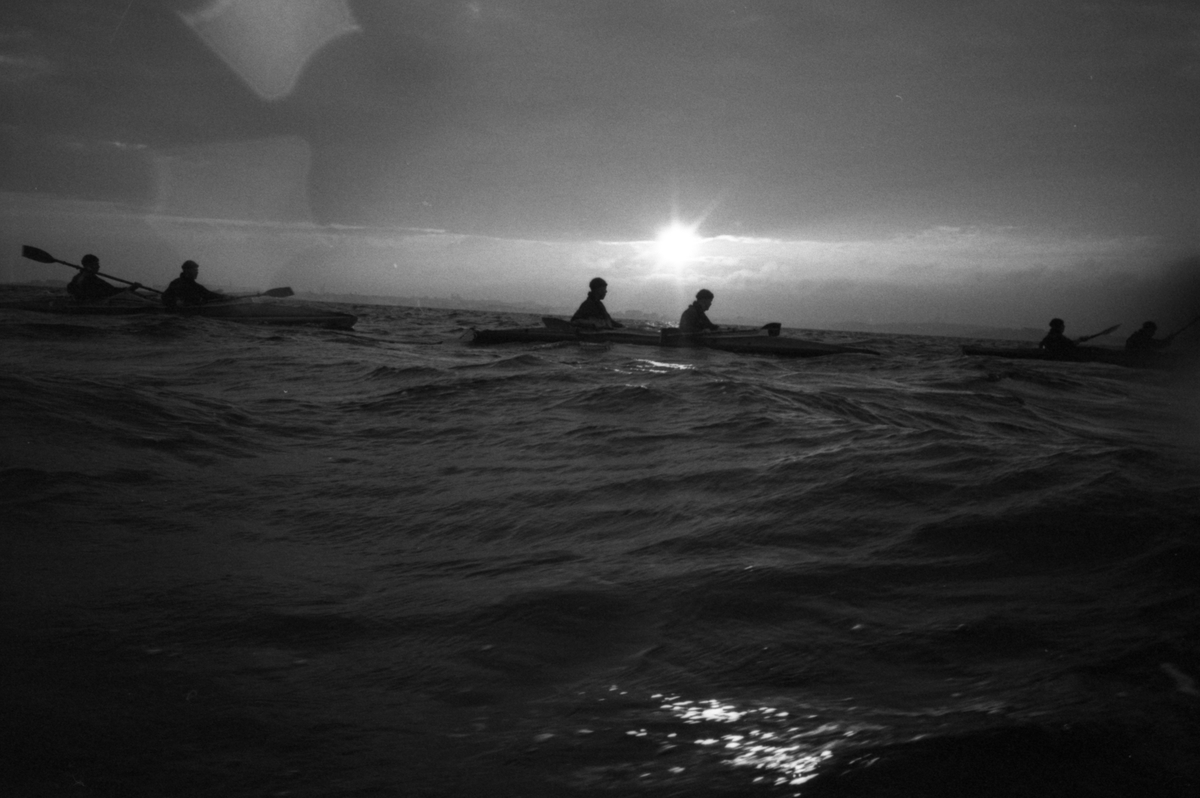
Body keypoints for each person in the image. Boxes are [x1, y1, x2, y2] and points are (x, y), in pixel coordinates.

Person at [67, 254, 141, 301]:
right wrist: (130, 289)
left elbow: (111, 290)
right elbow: (110, 292)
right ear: (88, 266)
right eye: (96, 264)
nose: (98, 266)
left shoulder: (94, 279)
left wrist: (130, 288)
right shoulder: (81, 278)